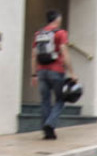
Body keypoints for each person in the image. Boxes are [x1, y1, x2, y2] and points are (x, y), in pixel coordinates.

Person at [31, 10, 73, 140]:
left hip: (41, 71)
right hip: (56, 71)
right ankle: (50, 124)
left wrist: (33, 74)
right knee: (60, 99)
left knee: (45, 101)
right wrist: (71, 72)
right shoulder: (61, 33)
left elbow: (33, 55)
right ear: (57, 19)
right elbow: (65, 53)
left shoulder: (38, 34)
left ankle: (47, 132)